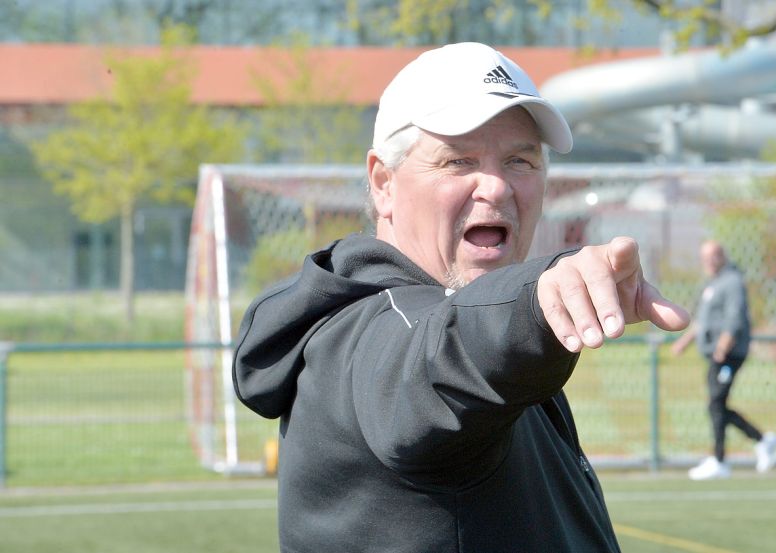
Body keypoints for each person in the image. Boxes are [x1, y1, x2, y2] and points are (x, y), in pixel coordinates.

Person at [233, 42, 689, 553]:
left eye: (520, 160)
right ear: (384, 183)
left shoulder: (467, 313)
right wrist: (534, 306)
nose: (494, 186)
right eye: (458, 161)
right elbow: (438, 361)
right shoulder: (366, 336)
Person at [670, 240, 776, 480]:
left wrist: (723, 346)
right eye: (704, 257)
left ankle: (720, 459)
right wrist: (683, 343)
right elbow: (703, 320)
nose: (707, 262)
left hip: (727, 355)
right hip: (715, 355)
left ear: (722, 256)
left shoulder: (732, 282)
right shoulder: (713, 284)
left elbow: (735, 317)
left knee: (716, 404)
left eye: (712, 257)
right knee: (716, 405)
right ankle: (762, 440)